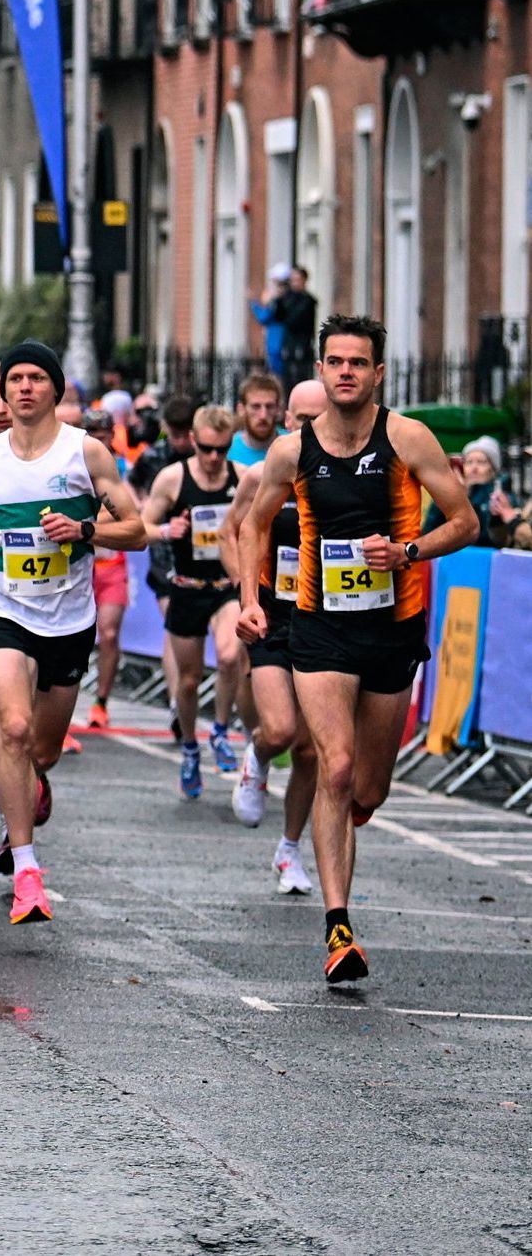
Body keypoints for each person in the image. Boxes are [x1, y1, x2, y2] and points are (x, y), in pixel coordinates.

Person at [225, 316, 472, 985]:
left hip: (392, 628)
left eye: (356, 363)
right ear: (320, 370)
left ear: (376, 374)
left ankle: (344, 821)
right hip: (318, 626)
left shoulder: (406, 438)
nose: (344, 373)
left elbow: (464, 519)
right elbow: (249, 524)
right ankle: (338, 928)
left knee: (367, 786)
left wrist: (408, 551)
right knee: (332, 768)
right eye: (333, 361)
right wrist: (250, 598)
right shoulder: (290, 451)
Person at [0, 341, 146, 927]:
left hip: (66, 617)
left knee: (42, 748)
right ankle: (27, 867)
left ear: (55, 389)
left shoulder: (84, 453)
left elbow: (136, 529)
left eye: (38, 378)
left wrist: (84, 529)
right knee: (10, 727)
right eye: (16, 379)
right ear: (3, 391)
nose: (25, 388)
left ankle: (29, 786)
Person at [235, 379, 325, 891]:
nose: (309, 428)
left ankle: (289, 851)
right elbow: (236, 529)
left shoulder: (344, 479)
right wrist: (245, 596)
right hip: (272, 614)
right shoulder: (262, 474)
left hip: (323, 620)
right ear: (287, 420)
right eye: (301, 420)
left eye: (319, 419)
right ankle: (259, 753)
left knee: (312, 751)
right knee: (282, 728)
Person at [140, 406, 246, 796]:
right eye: (206, 449)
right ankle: (189, 746)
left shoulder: (242, 478)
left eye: (222, 449)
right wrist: (169, 529)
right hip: (186, 586)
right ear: (193, 442)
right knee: (187, 681)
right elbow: (142, 528)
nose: (214, 458)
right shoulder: (172, 478)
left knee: (231, 656)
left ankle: (219, 729)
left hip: (224, 586)